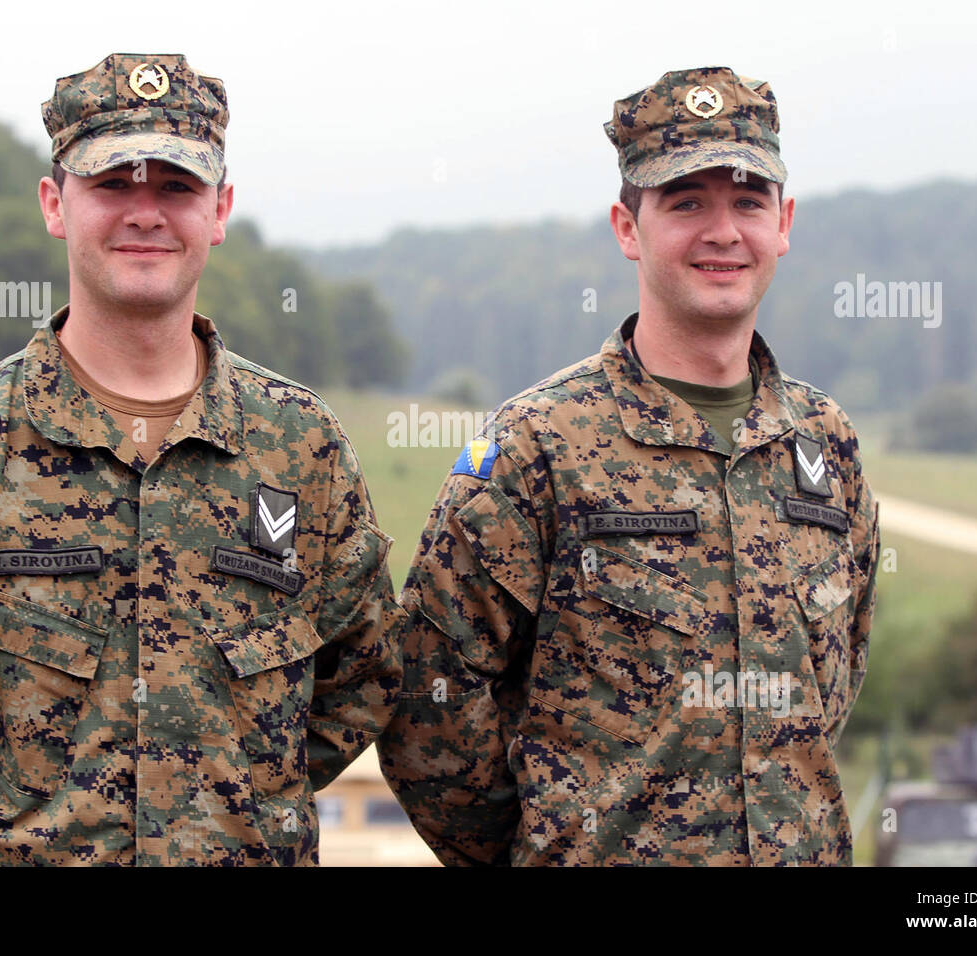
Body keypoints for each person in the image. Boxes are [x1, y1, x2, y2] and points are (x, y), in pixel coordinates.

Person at [0, 52, 402, 865]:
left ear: (219, 210)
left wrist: (232, 810)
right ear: (55, 204)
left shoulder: (301, 448)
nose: (145, 213)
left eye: (176, 188)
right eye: (114, 184)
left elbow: (362, 677)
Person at [377, 66, 880, 865]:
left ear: (783, 222)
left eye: (748, 201)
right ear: (626, 226)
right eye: (686, 203)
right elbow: (427, 702)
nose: (723, 232)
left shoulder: (825, 445)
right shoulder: (538, 445)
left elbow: (831, 686)